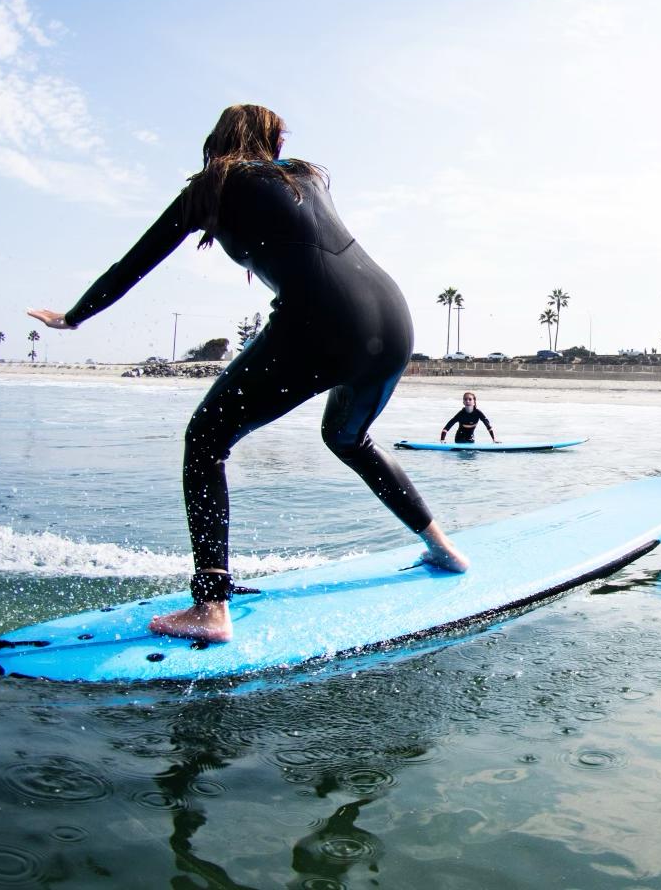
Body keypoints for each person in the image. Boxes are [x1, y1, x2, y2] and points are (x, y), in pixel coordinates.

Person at [27, 104, 468, 644]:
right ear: (267, 140)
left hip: (320, 319)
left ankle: (212, 607)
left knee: (206, 440)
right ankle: (443, 547)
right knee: (347, 437)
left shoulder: (213, 185)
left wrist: (73, 316)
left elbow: (134, 263)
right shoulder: (304, 176)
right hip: (392, 319)